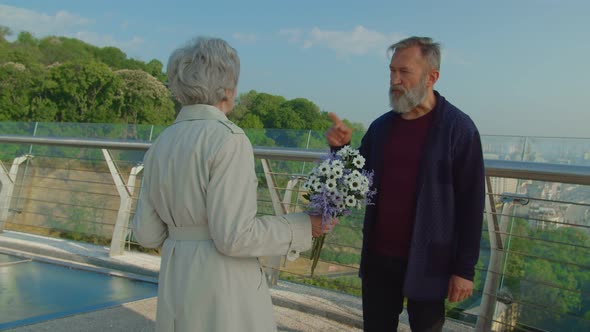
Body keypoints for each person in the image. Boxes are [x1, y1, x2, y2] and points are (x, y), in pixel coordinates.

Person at [132, 37, 332, 332]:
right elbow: (235, 237)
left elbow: (147, 234)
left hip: (176, 275)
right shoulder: (228, 139)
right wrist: (303, 226)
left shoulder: (161, 143)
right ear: (227, 88)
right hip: (221, 282)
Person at [326, 36, 485, 331]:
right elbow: (358, 180)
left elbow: (472, 203)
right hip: (378, 259)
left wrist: (464, 269)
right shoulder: (381, 127)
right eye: (391, 71)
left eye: (404, 72)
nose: (394, 80)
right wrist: (342, 148)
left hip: (431, 264)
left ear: (432, 77)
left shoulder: (458, 129)